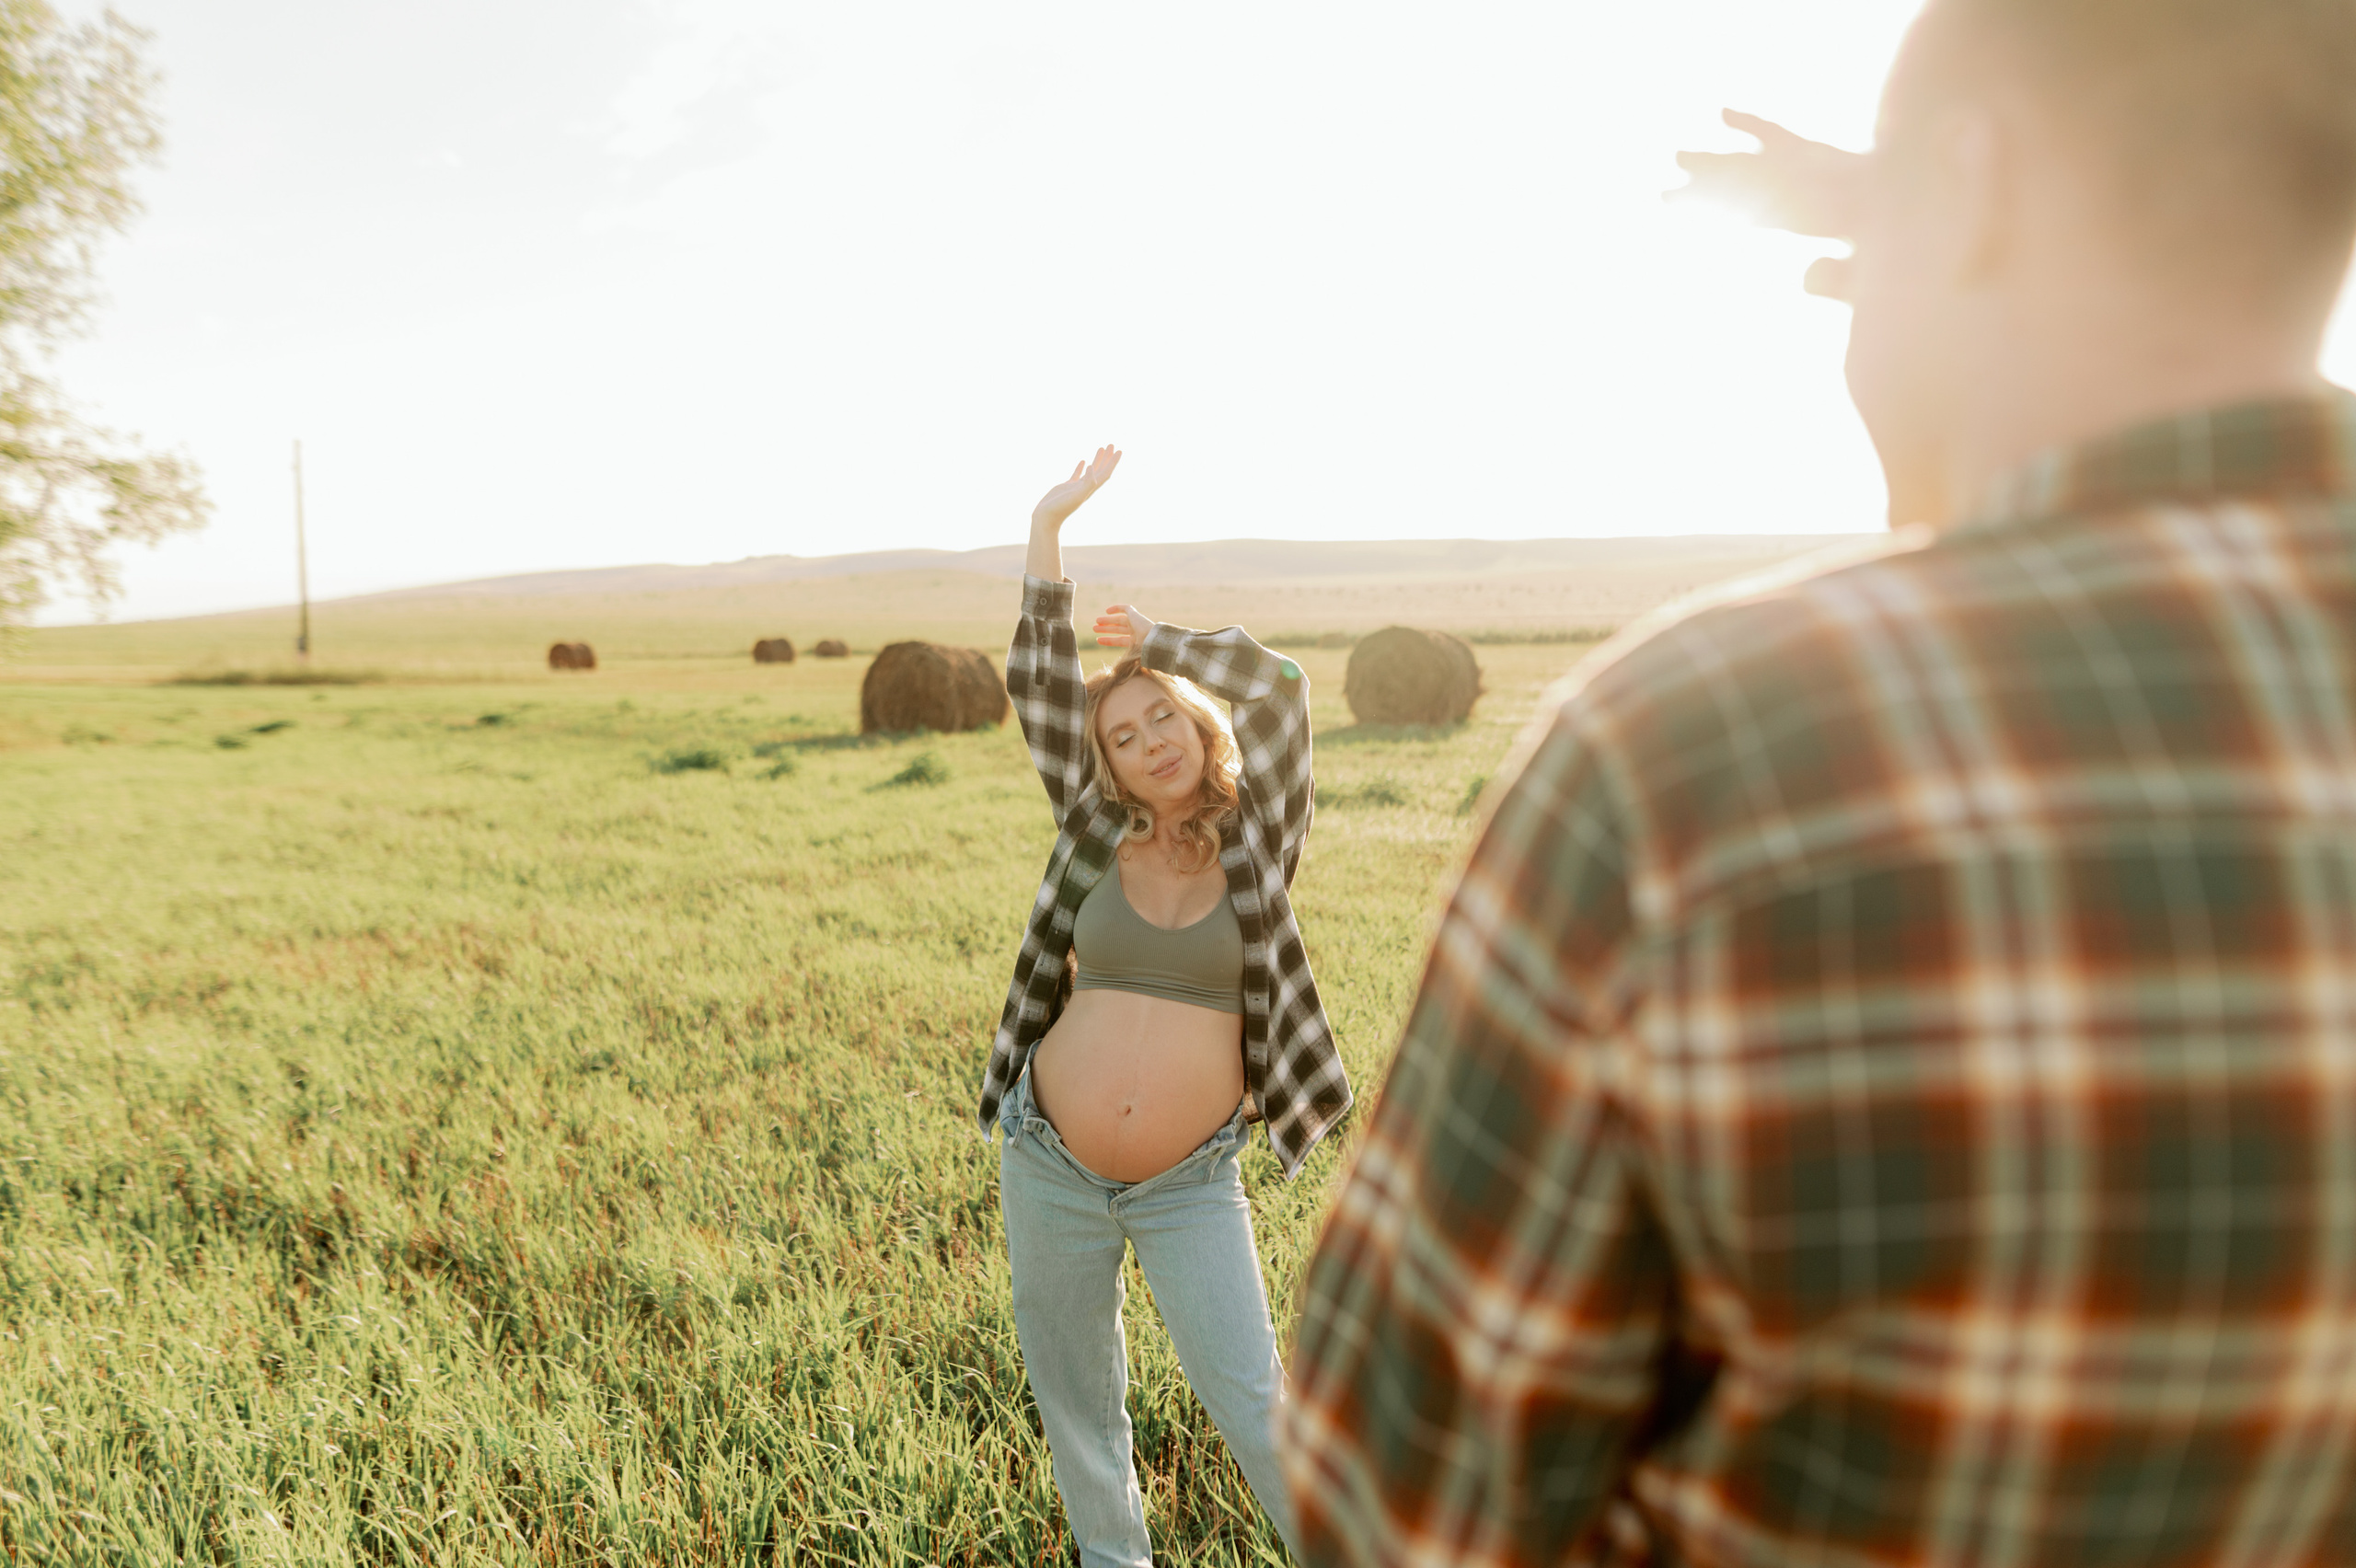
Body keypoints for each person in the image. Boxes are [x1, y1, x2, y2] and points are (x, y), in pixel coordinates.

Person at [1283, 1, 2356, 1563]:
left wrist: (1945, 318)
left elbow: (1397, 1512)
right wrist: (1950, 235)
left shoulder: (1711, 758)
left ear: (1972, 186)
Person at [981, 444, 1353, 1565]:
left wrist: (1160, 643)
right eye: (1124, 738)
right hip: (1048, 1158)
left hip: (1189, 1181)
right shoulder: (1093, 829)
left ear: (1199, 727)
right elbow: (1040, 684)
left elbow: (1284, 687)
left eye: (1164, 721)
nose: (1147, 746)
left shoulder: (1257, 840)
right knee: (1081, 1412)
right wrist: (1047, 530)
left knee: (1255, 1404)